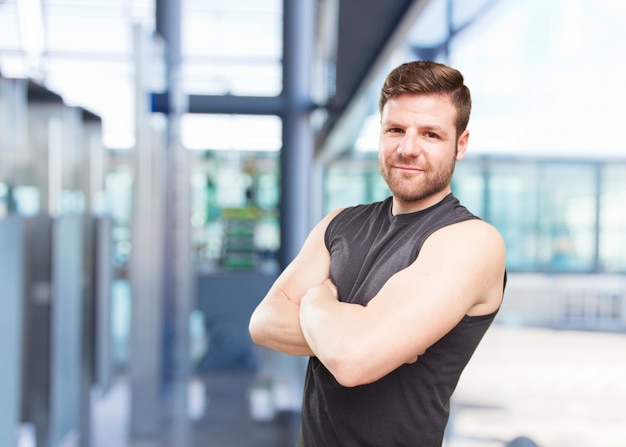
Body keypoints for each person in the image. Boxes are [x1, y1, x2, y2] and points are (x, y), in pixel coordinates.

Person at [248, 60, 507, 447]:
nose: (408, 148)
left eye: (431, 134)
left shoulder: (470, 241)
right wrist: (352, 333)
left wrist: (316, 298)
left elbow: (353, 361)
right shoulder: (340, 223)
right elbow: (264, 322)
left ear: (461, 144)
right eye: (396, 130)